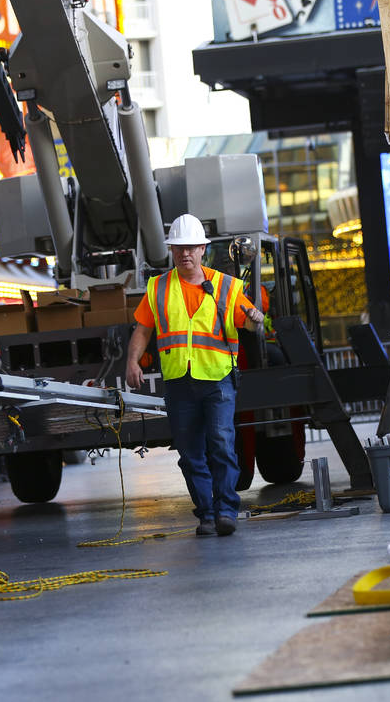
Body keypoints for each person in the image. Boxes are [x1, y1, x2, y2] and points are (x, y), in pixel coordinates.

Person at [125, 214, 264, 537]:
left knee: (221, 445)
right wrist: (133, 362)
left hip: (217, 379)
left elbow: (252, 321)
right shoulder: (158, 287)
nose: (184, 254)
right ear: (172, 252)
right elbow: (142, 330)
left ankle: (226, 511)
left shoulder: (226, 287)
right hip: (179, 383)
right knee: (190, 454)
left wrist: (257, 320)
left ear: (203, 249)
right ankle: (206, 513)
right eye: (178, 249)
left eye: (190, 248)